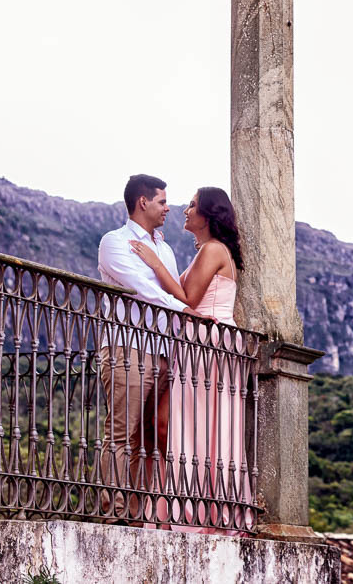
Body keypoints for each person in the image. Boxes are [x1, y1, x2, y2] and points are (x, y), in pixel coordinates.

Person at [128, 186, 250, 534]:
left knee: (200, 428)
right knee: (184, 427)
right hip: (197, 344)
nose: (185, 210)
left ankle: (206, 510)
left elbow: (188, 297)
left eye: (193, 205)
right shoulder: (207, 251)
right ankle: (186, 506)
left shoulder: (213, 249)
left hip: (211, 345)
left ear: (208, 214)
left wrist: (153, 262)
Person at [96, 174, 202, 522]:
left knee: (152, 437)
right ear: (143, 202)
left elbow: (172, 288)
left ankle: (139, 511)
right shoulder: (115, 242)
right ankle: (114, 512)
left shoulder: (165, 249)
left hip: (162, 352)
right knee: (121, 432)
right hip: (128, 347)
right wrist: (181, 310)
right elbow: (142, 288)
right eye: (162, 201)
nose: (168, 207)